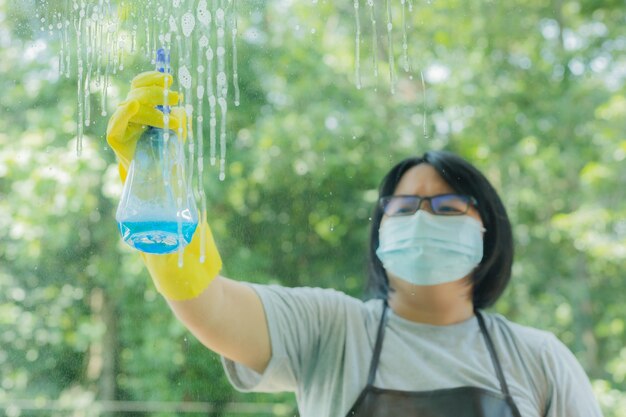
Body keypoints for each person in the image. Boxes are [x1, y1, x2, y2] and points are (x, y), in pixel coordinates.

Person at [106, 71, 604, 417]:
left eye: (447, 207)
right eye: (404, 208)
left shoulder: (539, 358)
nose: (423, 219)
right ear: (380, 232)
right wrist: (154, 184)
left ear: (487, 230)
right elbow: (206, 303)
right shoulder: (331, 331)